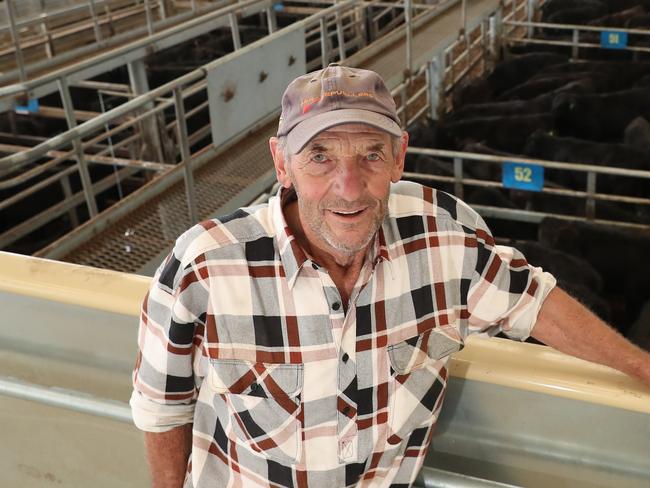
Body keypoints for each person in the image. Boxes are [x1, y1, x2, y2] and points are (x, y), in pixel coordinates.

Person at [130, 64, 650, 488]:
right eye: (320, 156)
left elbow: (535, 302)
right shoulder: (204, 266)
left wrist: (640, 366)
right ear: (282, 163)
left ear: (399, 157)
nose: (349, 187)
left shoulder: (444, 238)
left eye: (371, 154)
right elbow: (163, 410)